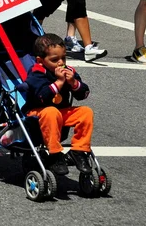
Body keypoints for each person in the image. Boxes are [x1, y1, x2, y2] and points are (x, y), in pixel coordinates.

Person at [22, 33, 93, 175]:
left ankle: (79, 150)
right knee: (50, 111)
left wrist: (73, 83)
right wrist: (59, 83)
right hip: (37, 112)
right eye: (55, 60)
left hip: (61, 112)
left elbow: (83, 94)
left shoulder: (69, 71)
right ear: (40, 61)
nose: (61, 62)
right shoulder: (37, 73)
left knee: (86, 112)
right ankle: (55, 154)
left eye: (63, 58)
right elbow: (42, 96)